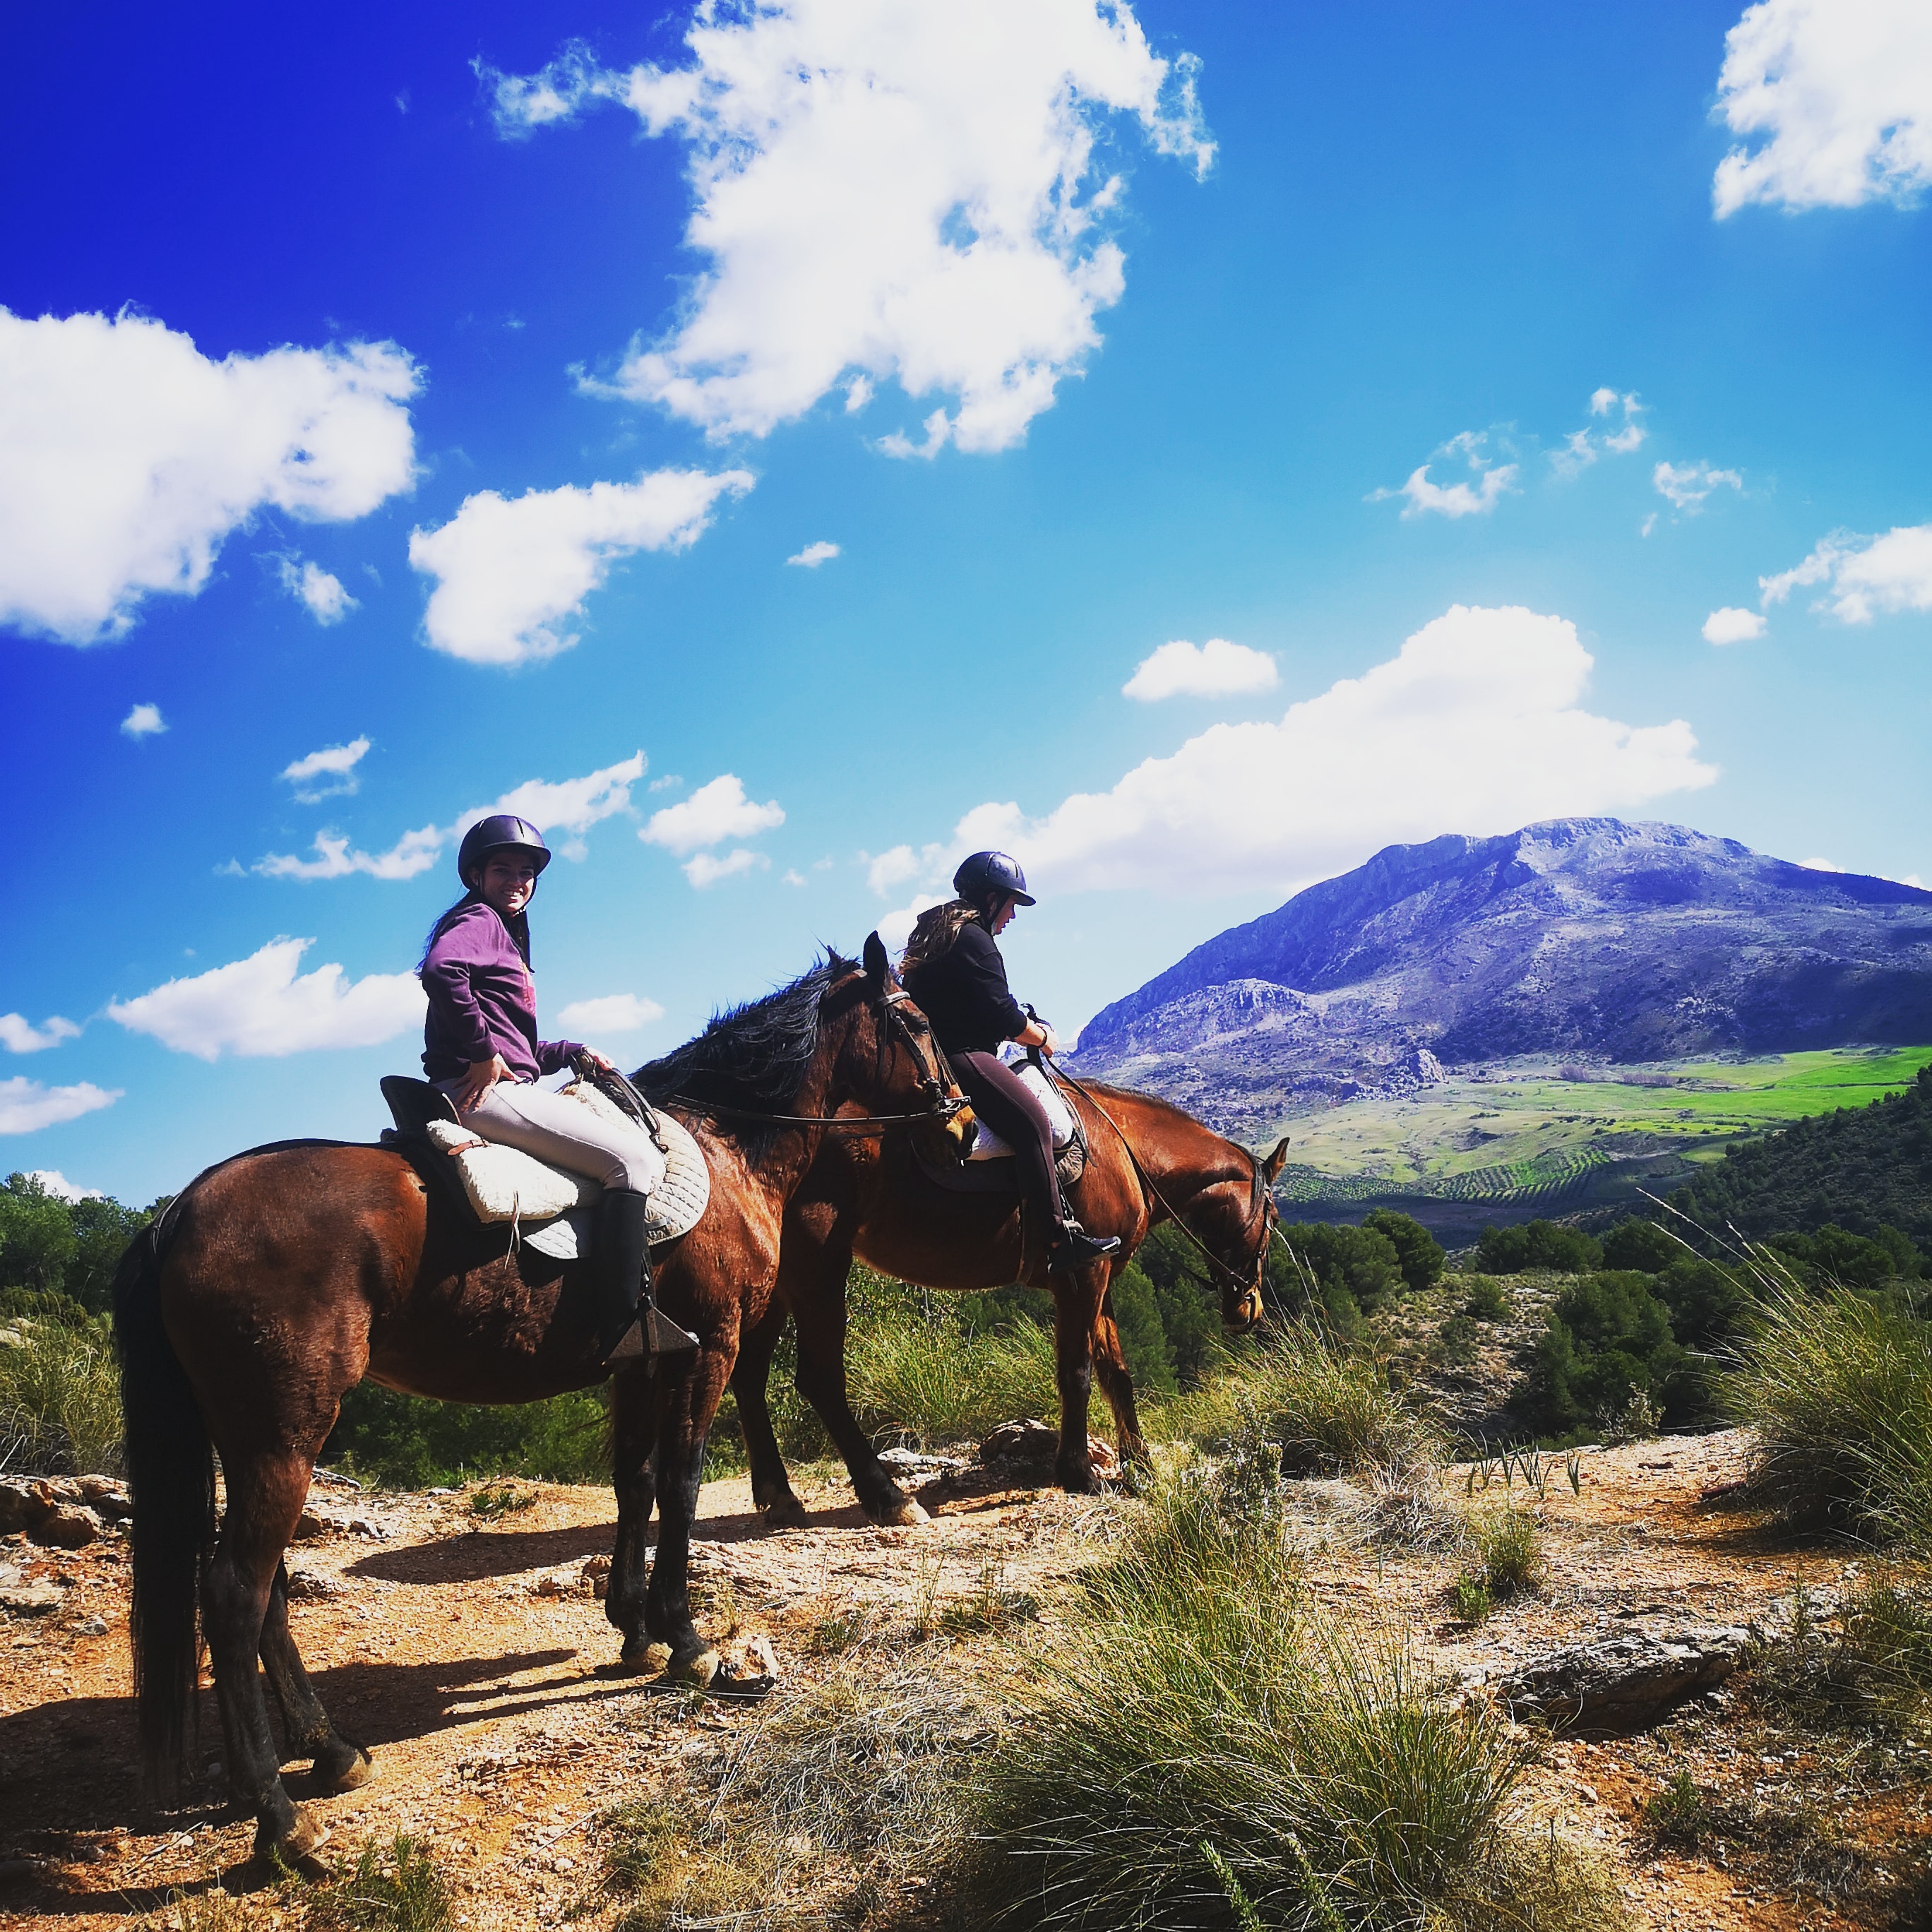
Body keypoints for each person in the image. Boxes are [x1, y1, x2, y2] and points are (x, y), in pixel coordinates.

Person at [418, 813, 696, 1366]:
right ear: (476, 876)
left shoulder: (504, 933)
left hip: (492, 1083)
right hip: (478, 1093)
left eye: (527, 872)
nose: (517, 881)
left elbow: (520, 1051)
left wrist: (570, 1053)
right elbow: (441, 969)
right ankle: (624, 1325)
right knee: (634, 1162)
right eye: (503, 869)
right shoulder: (480, 920)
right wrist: (482, 1052)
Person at [900, 851, 1121, 1270]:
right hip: (963, 1056)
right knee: (1034, 1124)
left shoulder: (939, 932)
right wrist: (1043, 1036)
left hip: (935, 1053)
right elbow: (1003, 1015)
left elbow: (975, 1005)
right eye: (1011, 905)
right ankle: (1056, 1239)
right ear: (991, 899)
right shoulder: (975, 940)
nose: (1012, 917)